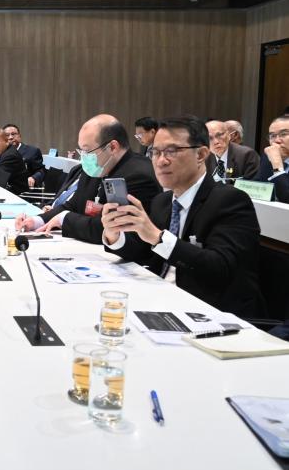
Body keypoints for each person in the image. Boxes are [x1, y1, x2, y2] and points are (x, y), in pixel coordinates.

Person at [101, 115, 264, 318]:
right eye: (155, 152)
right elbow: (143, 251)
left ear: (201, 154)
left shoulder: (230, 201)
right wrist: (114, 234)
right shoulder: (162, 201)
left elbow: (220, 268)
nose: (161, 161)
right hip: (160, 301)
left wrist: (158, 237)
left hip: (210, 313)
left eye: (171, 151)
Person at [15, 114, 161, 245]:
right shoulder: (97, 168)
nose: (84, 157)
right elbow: (73, 205)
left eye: (87, 151)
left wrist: (65, 220)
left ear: (112, 147)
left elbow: (113, 228)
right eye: (81, 151)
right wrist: (37, 220)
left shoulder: (139, 176)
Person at [257, 115, 289, 203]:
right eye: (273, 136)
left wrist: (277, 165)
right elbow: (258, 188)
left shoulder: (273, 158)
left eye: (284, 134)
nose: (277, 140)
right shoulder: (267, 157)